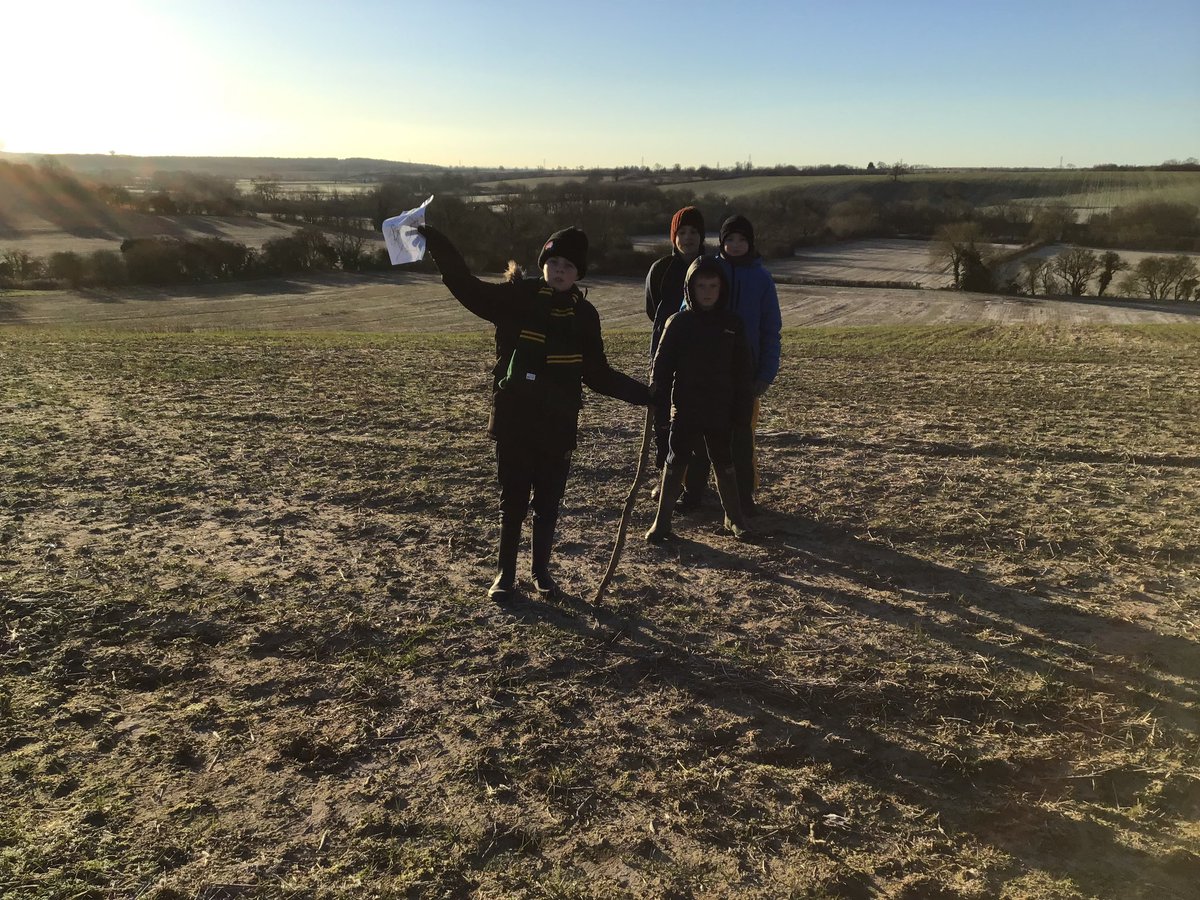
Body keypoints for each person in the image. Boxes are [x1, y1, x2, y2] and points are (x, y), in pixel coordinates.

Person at [417, 223, 650, 602]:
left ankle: (542, 574)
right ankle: (504, 575)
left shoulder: (585, 316)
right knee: (512, 500)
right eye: (553, 261)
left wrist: (646, 396)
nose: (559, 270)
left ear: (579, 274)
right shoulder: (515, 297)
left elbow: (597, 374)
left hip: (558, 422)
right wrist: (438, 243)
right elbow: (466, 286)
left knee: (547, 503)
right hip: (514, 418)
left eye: (569, 266)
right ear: (543, 263)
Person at [645, 256, 753, 543]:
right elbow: (662, 367)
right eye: (701, 285)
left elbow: (743, 372)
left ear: (722, 288)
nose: (706, 291)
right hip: (686, 407)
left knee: (723, 459)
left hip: (721, 407)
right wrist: (657, 401)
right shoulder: (678, 323)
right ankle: (662, 522)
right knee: (676, 458)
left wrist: (741, 413)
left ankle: (733, 518)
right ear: (689, 288)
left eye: (713, 285)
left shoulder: (732, 324)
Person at [714, 214, 782, 516]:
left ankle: (744, 494)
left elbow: (771, 329)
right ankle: (698, 492)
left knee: (742, 437)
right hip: (711, 369)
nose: (736, 245)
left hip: (747, 371)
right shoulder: (709, 270)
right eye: (730, 239)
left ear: (750, 243)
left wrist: (766, 373)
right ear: (721, 242)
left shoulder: (762, 279)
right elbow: (687, 313)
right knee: (706, 434)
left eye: (742, 239)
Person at [643, 206, 709, 508]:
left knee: (697, 421)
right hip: (665, 353)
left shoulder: (710, 267)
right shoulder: (660, 269)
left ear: (702, 235)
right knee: (663, 420)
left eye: (693, 232)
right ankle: (666, 480)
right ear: (674, 236)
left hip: (701, 357)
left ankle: (695, 484)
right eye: (682, 232)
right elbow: (651, 309)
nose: (688, 237)